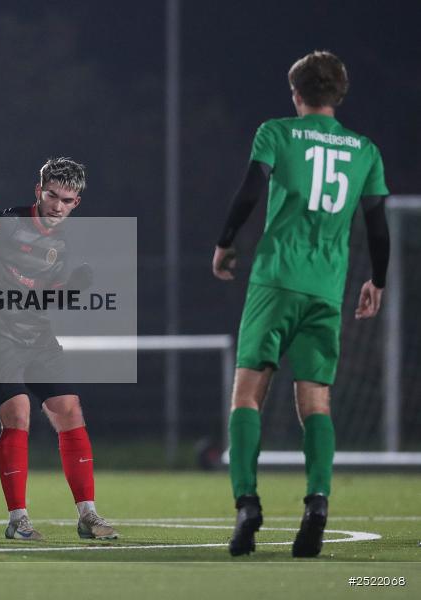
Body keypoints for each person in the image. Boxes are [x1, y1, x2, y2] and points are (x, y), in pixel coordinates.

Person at [212, 50, 390, 557]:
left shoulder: (277, 132)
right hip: (326, 289)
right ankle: (317, 504)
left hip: (275, 280)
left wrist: (226, 241)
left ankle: (247, 504)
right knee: (316, 401)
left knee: (247, 395)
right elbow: (377, 222)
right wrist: (377, 279)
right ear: (339, 94)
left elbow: (250, 190)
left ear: (296, 93)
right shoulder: (365, 150)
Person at [0, 157, 118, 541]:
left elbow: (40, 297)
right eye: (52, 195)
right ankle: (18, 520)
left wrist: (69, 290)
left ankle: (88, 515)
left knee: (70, 409)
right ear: (39, 191)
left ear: (76, 203)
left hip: (36, 335)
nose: (57, 205)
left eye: (67, 200)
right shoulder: (4, 224)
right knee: (18, 413)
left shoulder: (60, 244)